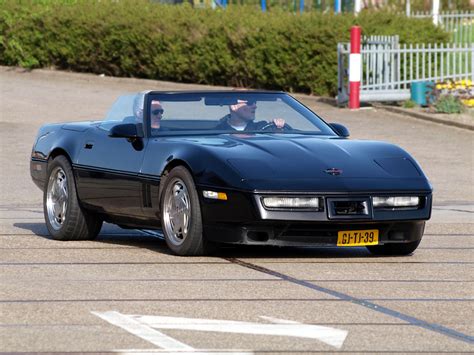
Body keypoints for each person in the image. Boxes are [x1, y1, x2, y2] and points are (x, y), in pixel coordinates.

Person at [215, 99, 285, 131]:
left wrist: (278, 129)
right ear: (234, 106)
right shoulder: (216, 133)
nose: (255, 106)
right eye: (250, 102)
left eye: (255, 102)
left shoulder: (264, 128)